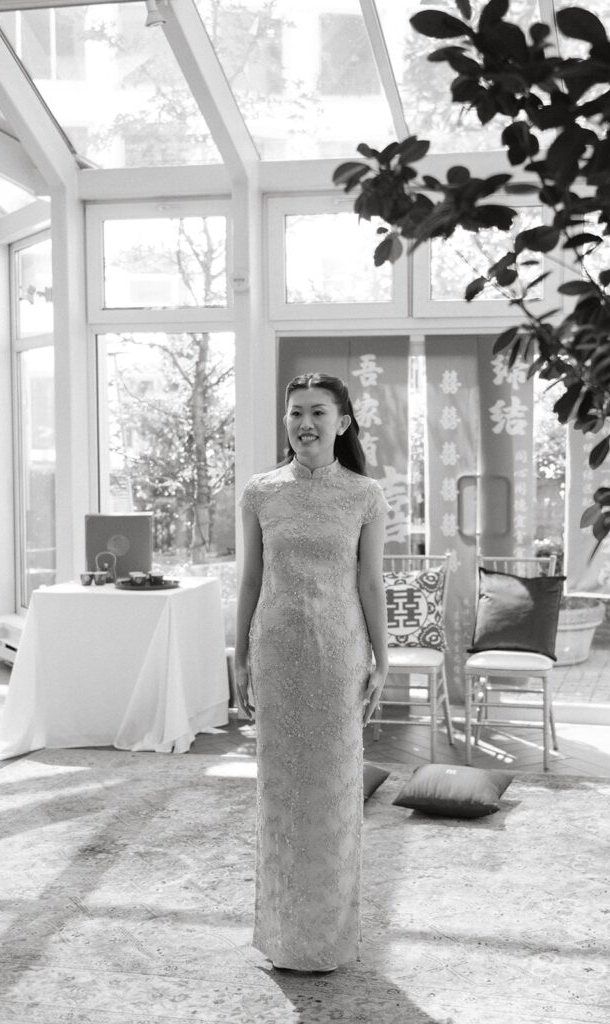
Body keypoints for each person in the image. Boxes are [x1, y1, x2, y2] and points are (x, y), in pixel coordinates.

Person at [235, 371, 390, 973]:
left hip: (339, 656)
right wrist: (240, 655)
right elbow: (251, 580)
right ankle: (282, 936)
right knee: (280, 793)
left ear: (342, 422)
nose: (305, 423)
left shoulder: (365, 495)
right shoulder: (260, 493)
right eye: (295, 412)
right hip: (276, 652)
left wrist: (383, 657)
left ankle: (326, 939)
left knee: (332, 793)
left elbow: (370, 582)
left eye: (318, 412)